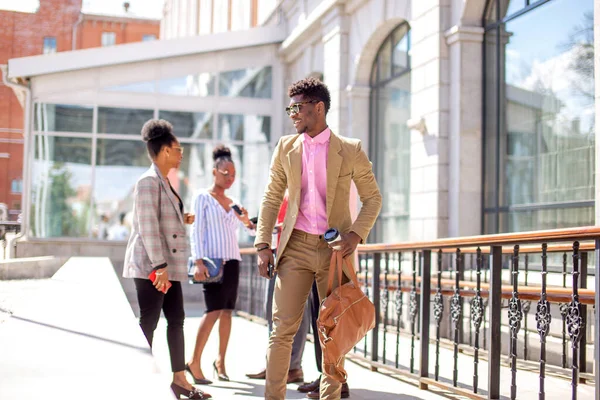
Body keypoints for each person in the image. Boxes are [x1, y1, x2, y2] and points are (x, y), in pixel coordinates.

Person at [255, 77, 382, 400]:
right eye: (290, 108)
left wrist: (355, 234)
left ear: (319, 108)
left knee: (333, 333)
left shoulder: (349, 149)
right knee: (281, 329)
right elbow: (271, 198)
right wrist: (262, 245)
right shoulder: (286, 147)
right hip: (294, 247)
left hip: (334, 251)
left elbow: (373, 198)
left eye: (297, 107)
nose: (292, 114)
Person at [123, 119, 210, 399]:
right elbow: (147, 226)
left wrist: (181, 219)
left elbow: (159, 219)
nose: (181, 153)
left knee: (177, 318)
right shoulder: (148, 181)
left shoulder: (163, 181)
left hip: (166, 267)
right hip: (153, 267)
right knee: (149, 321)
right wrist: (159, 267)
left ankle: (179, 379)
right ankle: (133, 376)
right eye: (177, 148)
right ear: (163, 151)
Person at [186, 145, 256, 385]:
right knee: (212, 311)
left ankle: (220, 362)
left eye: (233, 174)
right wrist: (197, 261)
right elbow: (196, 230)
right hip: (212, 263)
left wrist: (246, 219)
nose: (230, 178)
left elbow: (250, 229)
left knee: (227, 312)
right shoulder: (202, 197)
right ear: (214, 171)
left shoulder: (234, 202)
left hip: (233, 261)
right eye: (225, 172)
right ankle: (194, 361)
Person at [246, 192, 307, 384]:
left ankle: (294, 367)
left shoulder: (302, 191)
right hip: (276, 254)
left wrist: (276, 227)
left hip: (296, 257)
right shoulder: (279, 193)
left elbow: (304, 223)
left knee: (297, 314)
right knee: (272, 311)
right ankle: (275, 364)